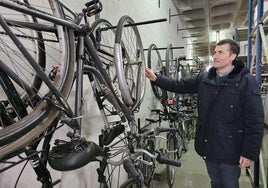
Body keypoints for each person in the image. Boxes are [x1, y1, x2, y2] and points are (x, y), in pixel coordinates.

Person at [145, 39, 264, 188]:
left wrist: (248, 153)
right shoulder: (204, 78)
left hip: (231, 149)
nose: (215, 56)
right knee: (215, 182)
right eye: (215, 52)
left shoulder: (246, 81)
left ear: (232, 56)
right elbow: (178, 85)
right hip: (209, 146)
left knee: (230, 184)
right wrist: (156, 78)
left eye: (220, 52)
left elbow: (255, 120)